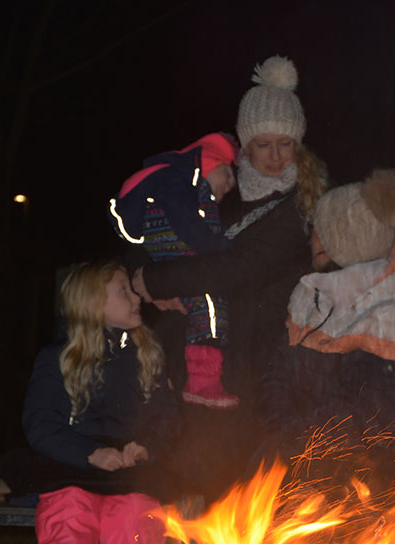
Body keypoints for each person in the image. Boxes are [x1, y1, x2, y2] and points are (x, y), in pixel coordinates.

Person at [130, 55, 328, 498]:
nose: (276, 157)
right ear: (245, 144)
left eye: (286, 144)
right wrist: (147, 282)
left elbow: (239, 270)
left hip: (255, 367)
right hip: (198, 355)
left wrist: (158, 281)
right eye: (264, 145)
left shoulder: (298, 207)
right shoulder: (221, 192)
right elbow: (161, 230)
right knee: (193, 486)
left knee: (240, 493)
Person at [1, 261, 181, 544]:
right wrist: (88, 453)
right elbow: (40, 424)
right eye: (124, 291)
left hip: (131, 468)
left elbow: (169, 419)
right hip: (74, 465)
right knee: (69, 505)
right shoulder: (58, 358)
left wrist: (147, 446)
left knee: (132, 512)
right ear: (93, 305)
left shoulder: (149, 354)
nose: (136, 297)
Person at [260, 169, 395, 489]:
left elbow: (374, 409)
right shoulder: (311, 302)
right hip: (316, 468)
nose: (312, 237)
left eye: (321, 230)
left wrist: (303, 443)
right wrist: (287, 439)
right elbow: (276, 379)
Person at [110, 133, 239, 408]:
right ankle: (203, 382)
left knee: (198, 302)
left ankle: (199, 380)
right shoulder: (178, 182)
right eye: (226, 179)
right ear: (210, 163)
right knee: (210, 304)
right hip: (174, 251)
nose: (226, 189)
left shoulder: (171, 181)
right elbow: (189, 227)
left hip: (164, 252)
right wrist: (219, 248)